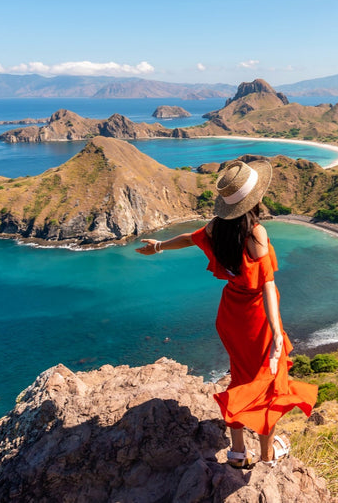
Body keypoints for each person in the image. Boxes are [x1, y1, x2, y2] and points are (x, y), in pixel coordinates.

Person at [136, 158, 317, 468]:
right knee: (268, 386)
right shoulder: (256, 234)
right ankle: (266, 454)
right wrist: (275, 332)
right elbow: (268, 287)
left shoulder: (215, 228)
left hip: (230, 315)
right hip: (255, 318)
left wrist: (158, 246)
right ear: (255, 199)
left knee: (240, 377)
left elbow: (189, 239)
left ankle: (236, 451)